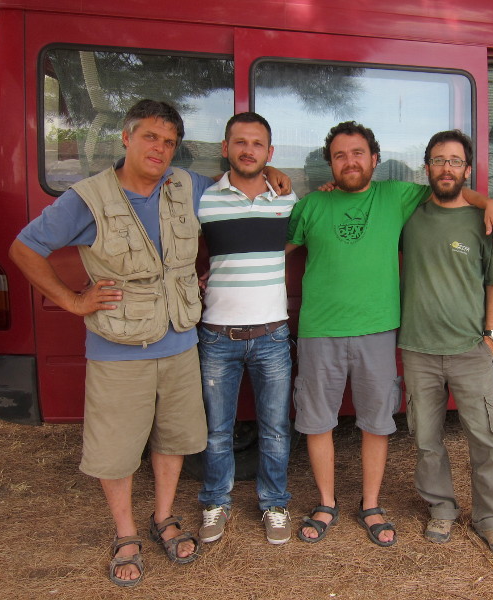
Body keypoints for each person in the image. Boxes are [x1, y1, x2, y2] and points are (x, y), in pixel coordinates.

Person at [8, 100, 290, 587]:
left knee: (175, 439)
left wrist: (274, 171)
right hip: (120, 349)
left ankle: (163, 517)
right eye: (150, 138)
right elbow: (24, 248)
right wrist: (73, 301)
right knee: (117, 450)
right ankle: (125, 534)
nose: (159, 148)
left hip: (181, 342)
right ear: (126, 137)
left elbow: (245, 173)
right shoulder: (89, 197)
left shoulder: (185, 185)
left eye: (168, 141)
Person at [286, 121, 493, 547]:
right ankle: (326, 503)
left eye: (357, 153)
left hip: (379, 331)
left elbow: (451, 186)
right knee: (317, 422)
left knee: (376, 423)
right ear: (329, 163)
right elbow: (276, 250)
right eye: (339, 155)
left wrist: (489, 202)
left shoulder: (398, 196)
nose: (349, 162)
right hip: (319, 331)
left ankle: (371, 504)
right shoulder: (311, 205)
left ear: (375, 159)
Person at [398, 130, 493, 556]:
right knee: (426, 438)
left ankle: (492, 521)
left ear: (467, 170)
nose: (446, 168)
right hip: (418, 350)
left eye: (454, 161)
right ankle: (441, 509)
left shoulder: (484, 220)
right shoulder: (407, 213)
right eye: (438, 160)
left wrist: (491, 336)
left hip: (470, 349)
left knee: (486, 439)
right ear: (426, 167)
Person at [196, 112, 298, 545]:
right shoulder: (203, 199)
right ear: (225, 148)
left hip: (272, 336)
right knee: (216, 429)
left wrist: (287, 179)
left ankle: (275, 503)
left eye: (257, 144)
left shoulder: (288, 199)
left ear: (269, 153)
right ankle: (215, 502)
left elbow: (309, 230)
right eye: (239, 142)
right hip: (217, 336)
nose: (248, 150)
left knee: (276, 427)